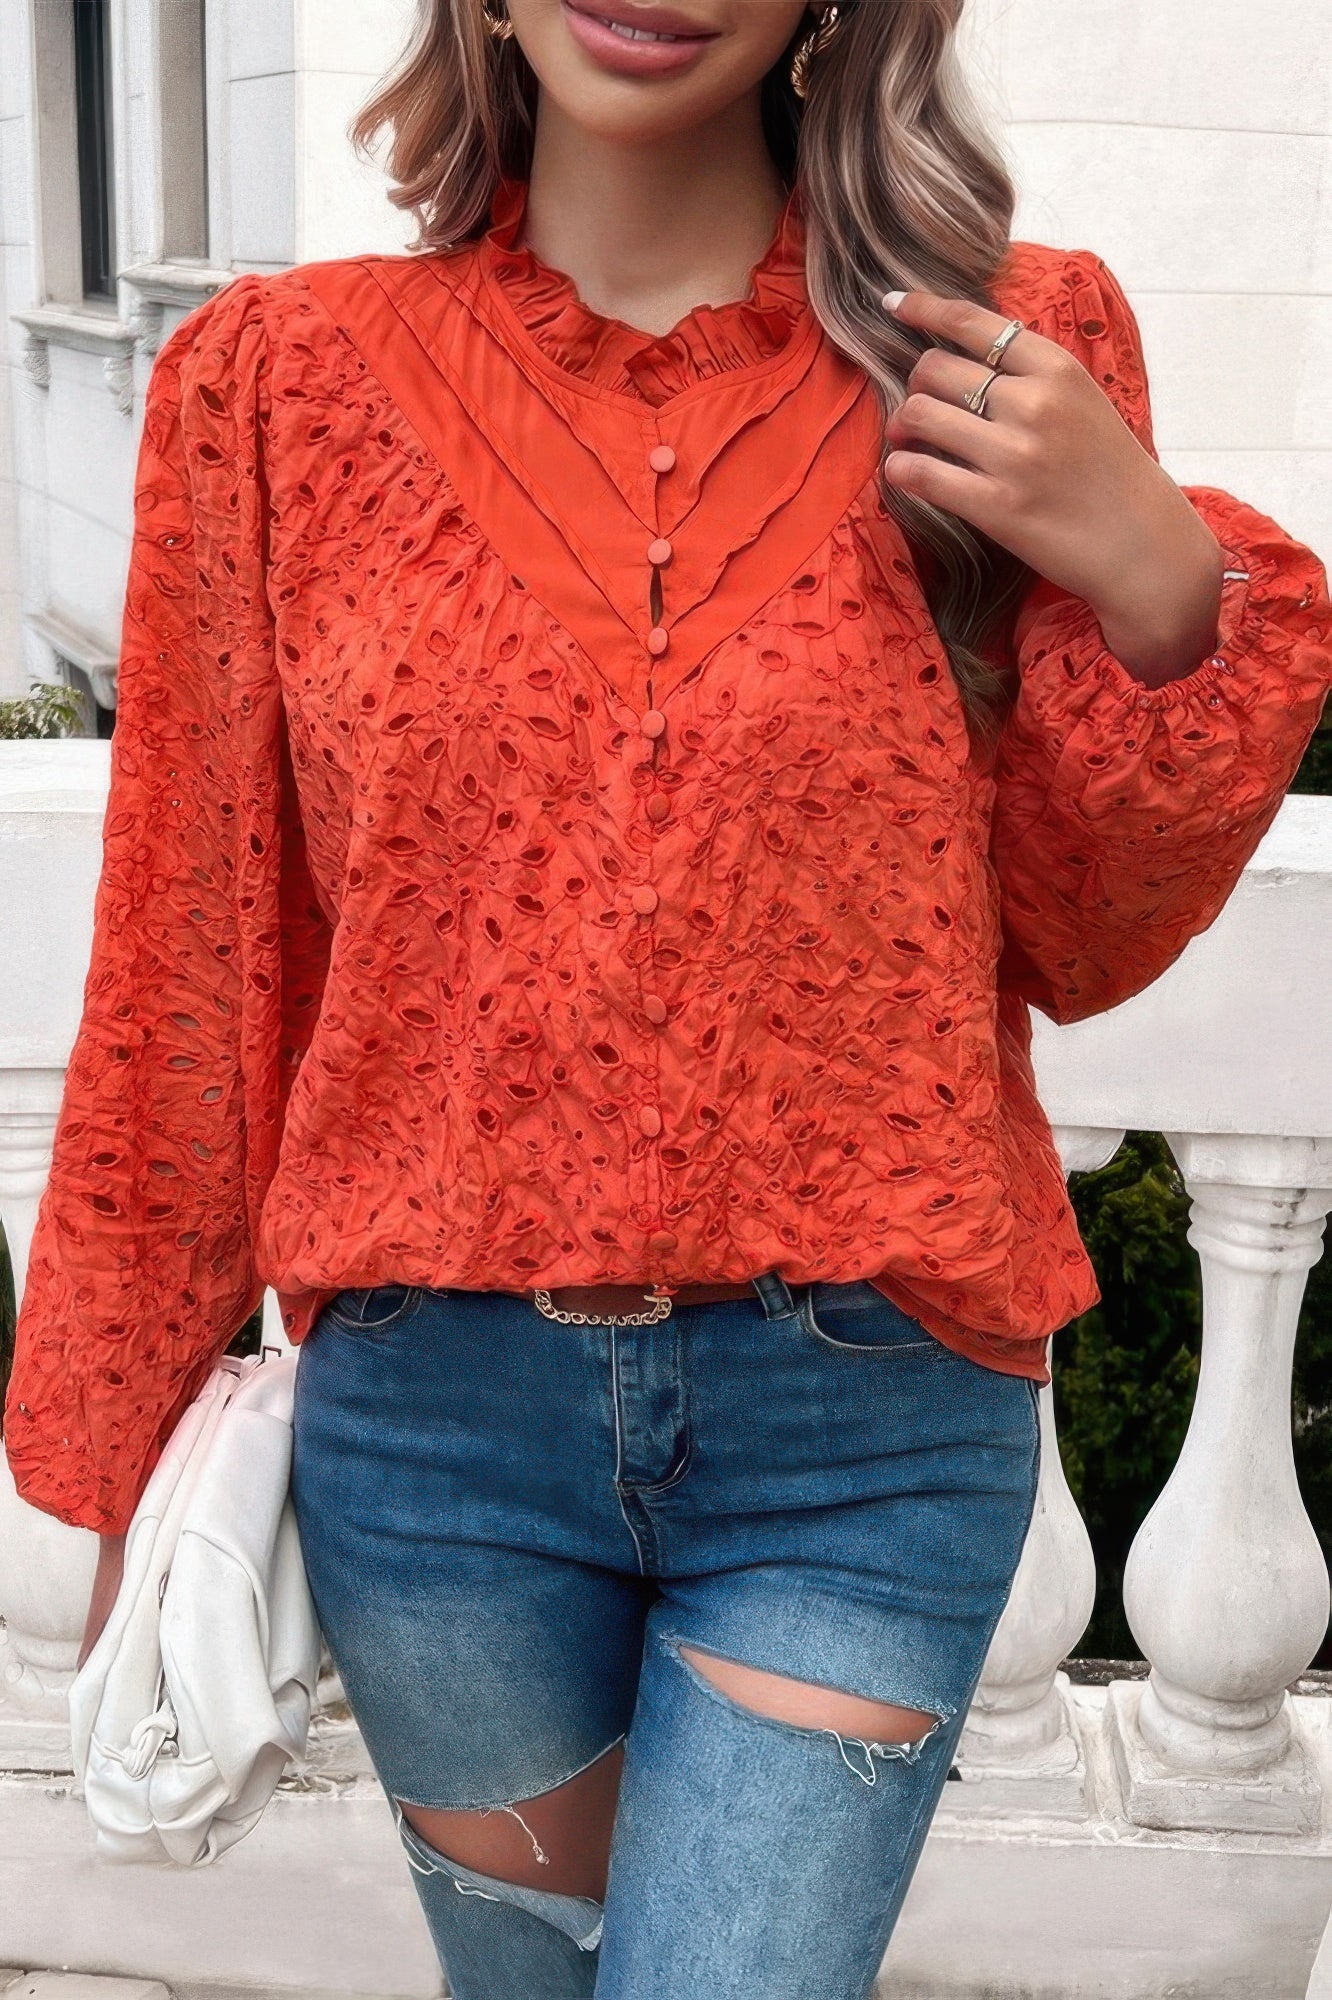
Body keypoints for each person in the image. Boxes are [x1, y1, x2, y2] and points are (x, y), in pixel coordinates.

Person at [6, 0, 1329, 1994]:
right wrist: (116, 1433)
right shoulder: (271, 386)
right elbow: (189, 954)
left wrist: (1166, 595)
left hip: (866, 1426)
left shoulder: (1003, 354)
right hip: (434, 1441)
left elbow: (1076, 932)